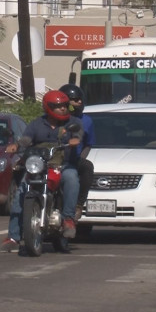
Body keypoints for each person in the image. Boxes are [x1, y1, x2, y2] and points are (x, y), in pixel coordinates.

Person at [0, 90, 83, 253]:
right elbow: (27, 139)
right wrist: (17, 145)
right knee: (22, 190)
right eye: (58, 106)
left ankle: (68, 219)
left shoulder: (73, 122)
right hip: (39, 165)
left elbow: (78, 133)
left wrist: (75, 139)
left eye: (64, 105)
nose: (63, 109)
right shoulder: (36, 124)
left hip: (62, 165)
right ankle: (12, 237)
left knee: (71, 177)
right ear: (48, 107)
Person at [59, 83, 95, 219]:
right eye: (75, 99)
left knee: (87, 167)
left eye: (81, 99)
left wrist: (80, 158)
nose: (79, 102)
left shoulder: (86, 121)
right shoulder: (53, 119)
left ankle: (79, 205)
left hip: (72, 161)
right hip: (52, 160)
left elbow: (88, 144)